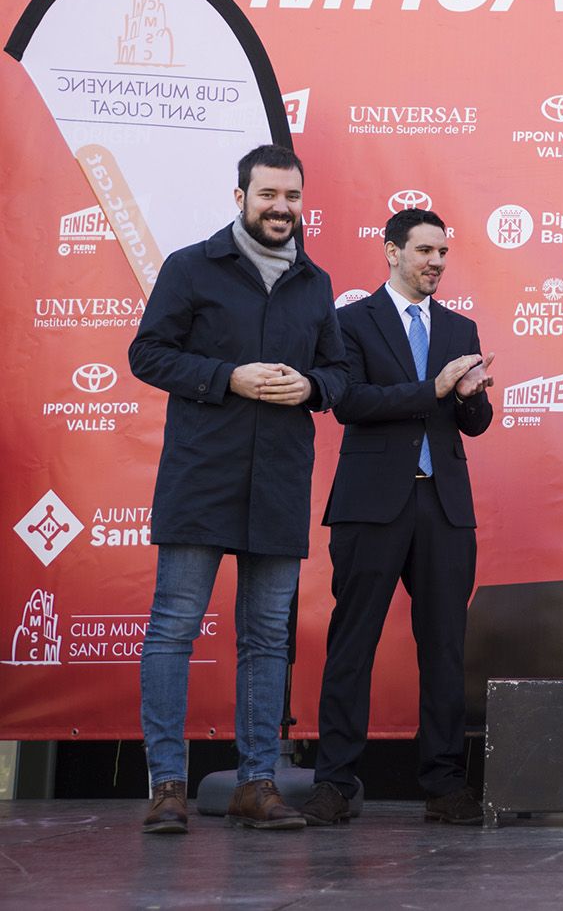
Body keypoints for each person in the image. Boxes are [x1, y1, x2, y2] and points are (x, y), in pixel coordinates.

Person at [129, 144, 347, 834]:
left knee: (264, 639)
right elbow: (147, 353)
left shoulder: (315, 282)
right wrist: (229, 377)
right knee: (173, 631)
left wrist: (313, 386)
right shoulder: (191, 267)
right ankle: (168, 786)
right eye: (268, 196)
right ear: (240, 198)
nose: (281, 208)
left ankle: (258, 783)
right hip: (201, 478)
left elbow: (339, 371)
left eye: (292, 197)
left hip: (280, 480)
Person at [301, 209, 495, 827]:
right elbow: (348, 401)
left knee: (444, 646)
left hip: (443, 505)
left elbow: (475, 422)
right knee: (353, 640)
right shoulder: (350, 322)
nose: (436, 261)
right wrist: (433, 390)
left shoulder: (461, 328)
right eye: (424, 251)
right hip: (371, 503)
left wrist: (469, 398)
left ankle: (444, 784)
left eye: (443, 252)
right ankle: (335, 781)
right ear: (391, 252)